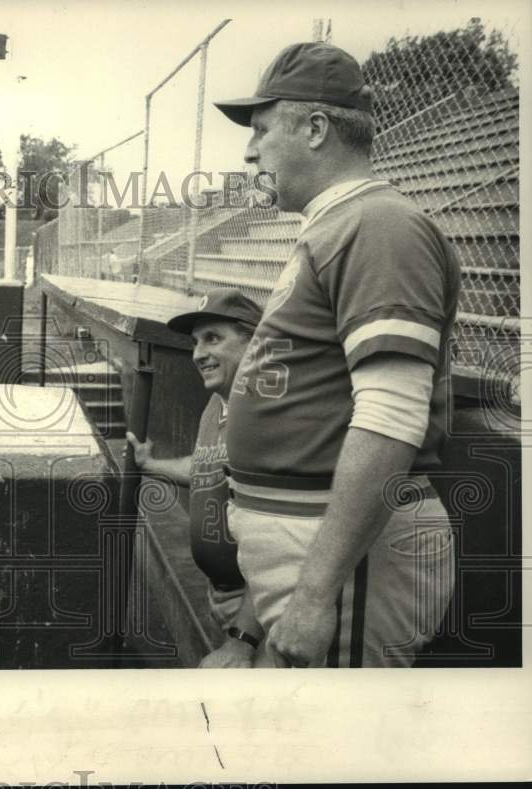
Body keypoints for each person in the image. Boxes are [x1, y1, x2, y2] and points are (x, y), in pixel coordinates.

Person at [213, 41, 460, 667]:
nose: (250, 151)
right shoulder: (340, 224)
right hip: (321, 553)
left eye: (263, 131)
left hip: (350, 560)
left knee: (340, 751)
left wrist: (316, 594)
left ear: (316, 128)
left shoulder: (379, 224)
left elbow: (392, 414)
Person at [126, 288, 265, 668]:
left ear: (254, 342)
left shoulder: (266, 414)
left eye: (214, 338)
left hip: (260, 611)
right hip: (223, 597)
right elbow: (206, 467)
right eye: (195, 342)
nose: (198, 353)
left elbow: (279, 537)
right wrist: (152, 465)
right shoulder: (216, 404)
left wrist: (242, 638)